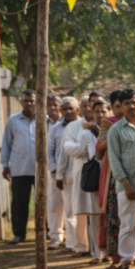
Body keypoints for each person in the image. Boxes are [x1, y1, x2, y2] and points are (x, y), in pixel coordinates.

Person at [107, 89, 135, 269]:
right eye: (126, 104)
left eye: (133, 102)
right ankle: (127, 263)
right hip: (127, 185)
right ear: (121, 107)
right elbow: (114, 160)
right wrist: (125, 183)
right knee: (128, 225)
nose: (131, 106)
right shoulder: (116, 130)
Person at [64, 96, 103, 262]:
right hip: (92, 176)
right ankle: (94, 251)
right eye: (96, 111)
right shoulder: (82, 130)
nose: (100, 114)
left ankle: (111, 252)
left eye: (103, 110)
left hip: (110, 175)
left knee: (110, 215)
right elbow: (92, 154)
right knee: (92, 214)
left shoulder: (111, 126)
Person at [1, 89, 37, 244]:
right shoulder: (13, 120)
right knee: (19, 203)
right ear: (21, 102)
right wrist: (5, 165)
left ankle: (47, 231)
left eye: (32, 100)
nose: (29, 103)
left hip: (40, 169)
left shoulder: (45, 119)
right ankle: (19, 233)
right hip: (19, 168)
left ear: (37, 101)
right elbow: (6, 144)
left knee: (44, 201)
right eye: (26, 101)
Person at [96, 90, 124, 269]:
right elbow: (99, 146)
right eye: (118, 106)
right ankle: (115, 257)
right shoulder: (108, 123)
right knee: (114, 217)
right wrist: (117, 130)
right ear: (112, 107)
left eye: (126, 104)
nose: (123, 109)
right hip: (114, 177)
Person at [53, 97, 80, 253]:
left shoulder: (85, 125)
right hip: (69, 177)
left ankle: (86, 244)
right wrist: (59, 175)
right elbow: (62, 155)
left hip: (86, 177)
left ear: (77, 110)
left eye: (71, 108)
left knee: (85, 212)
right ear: (61, 111)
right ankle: (71, 243)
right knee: (70, 210)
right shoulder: (61, 128)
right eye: (65, 109)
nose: (69, 112)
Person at [46, 95, 69, 250]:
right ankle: (55, 236)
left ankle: (72, 239)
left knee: (72, 206)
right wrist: (54, 170)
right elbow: (49, 151)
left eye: (69, 108)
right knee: (55, 204)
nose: (66, 111)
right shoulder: (55, 128)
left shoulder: (78, 125)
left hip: (75, 173)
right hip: (56, 173)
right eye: (64, 108)